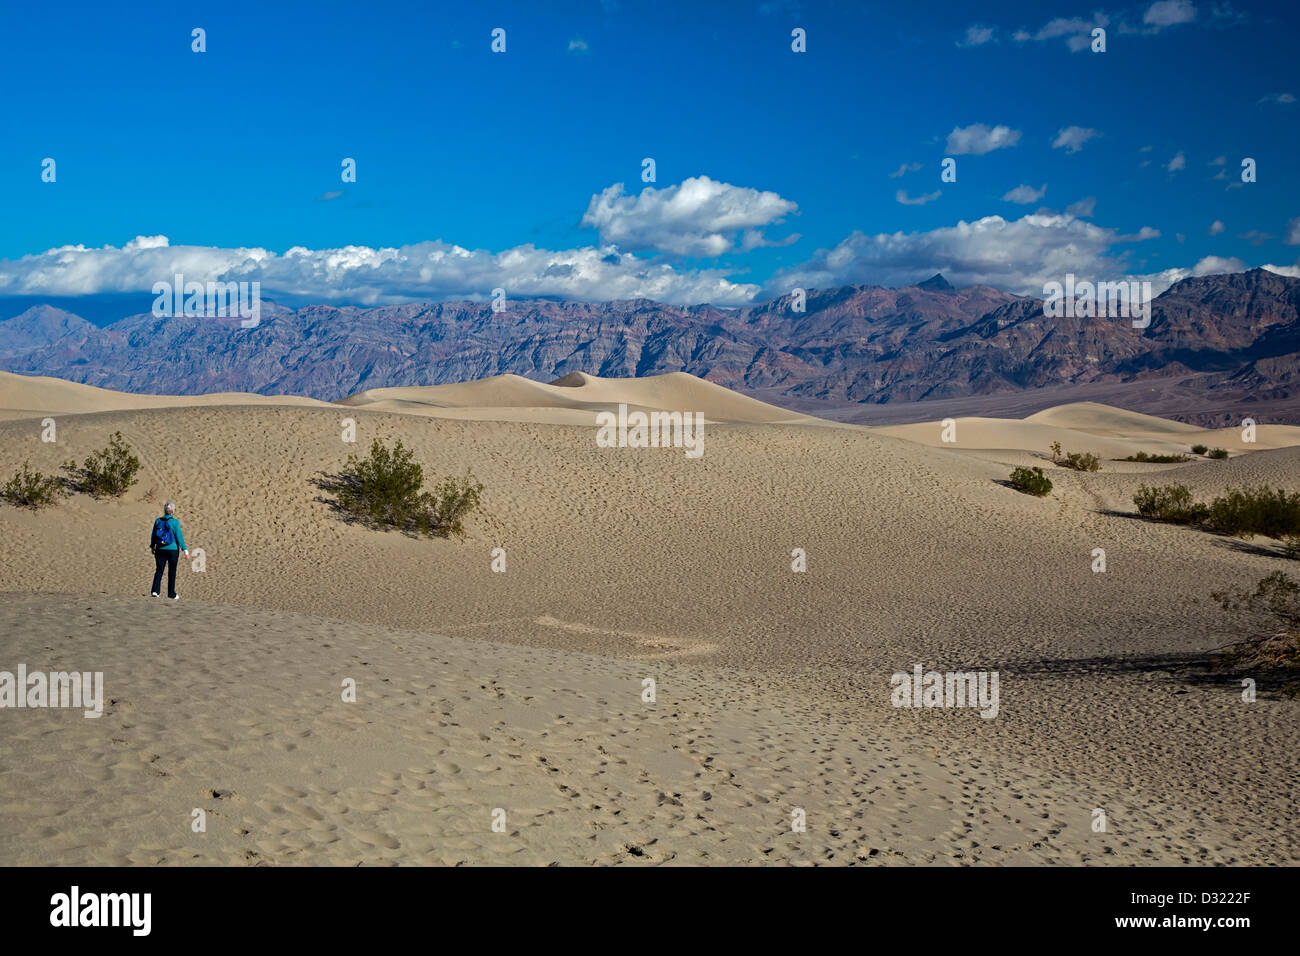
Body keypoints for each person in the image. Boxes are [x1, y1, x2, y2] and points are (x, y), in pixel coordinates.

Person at [149, 501, 189, 600]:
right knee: (172, 572)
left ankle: (155, 591)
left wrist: (152, 546)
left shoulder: (158, 521)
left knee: (159, 570)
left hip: (160, 549)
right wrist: (185, 550)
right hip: (173, 550)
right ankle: (171, 593)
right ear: (173, 511)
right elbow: (179, 537)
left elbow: (154, 535)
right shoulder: (175, 522)